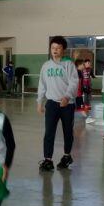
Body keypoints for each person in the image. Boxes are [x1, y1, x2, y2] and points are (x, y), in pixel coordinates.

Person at [37, 36, 78, 171]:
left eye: (58, 48)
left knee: (67, 131)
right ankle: (48, 159)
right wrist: (39, 102)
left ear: (63, 50)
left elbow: (74, 82)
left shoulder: (68, 64)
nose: (55, 50)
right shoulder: (46, 66)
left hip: (67, 104)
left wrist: (67, 97)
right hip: (52, 104)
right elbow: (42, 85)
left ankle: (67, 155)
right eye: (53, 48)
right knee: (49, 132)